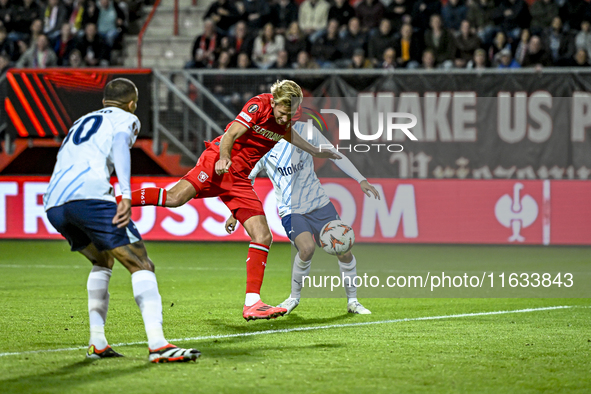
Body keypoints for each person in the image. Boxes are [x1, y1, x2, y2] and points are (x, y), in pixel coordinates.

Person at [119, 80, 340, 321]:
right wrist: (224, 158)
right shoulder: (259, 106)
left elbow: (289, 134)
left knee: (263, 236)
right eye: (283, 113)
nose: (286, 119)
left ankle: (252, 303)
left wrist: (317, 151)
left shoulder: (283, 121)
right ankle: (118, 200)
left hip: (240, 179)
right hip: (218, 163)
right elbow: (230, 134)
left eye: (290, 115)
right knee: (175, 198)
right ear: (275, 102)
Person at [43, 78, 200, 363]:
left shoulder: (81, 121)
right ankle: (158, 345)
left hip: (54, 202)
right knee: (140, 262)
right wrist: (125, 193)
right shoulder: (127, 118)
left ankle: (97, 342)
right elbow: (119, 145)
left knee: (103, 261)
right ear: (131, 103)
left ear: (104, 101)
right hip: (89, 197)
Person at [224, 121, 380, 315]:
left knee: (344, 251)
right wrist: (234, 212)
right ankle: (293, 298)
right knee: (306, 249)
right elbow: (247, 179)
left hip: (320, 204)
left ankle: (353, 302)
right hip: (291, 210)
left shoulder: (306, 130)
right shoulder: (262, 143)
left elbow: (334, 154)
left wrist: (361, 179)